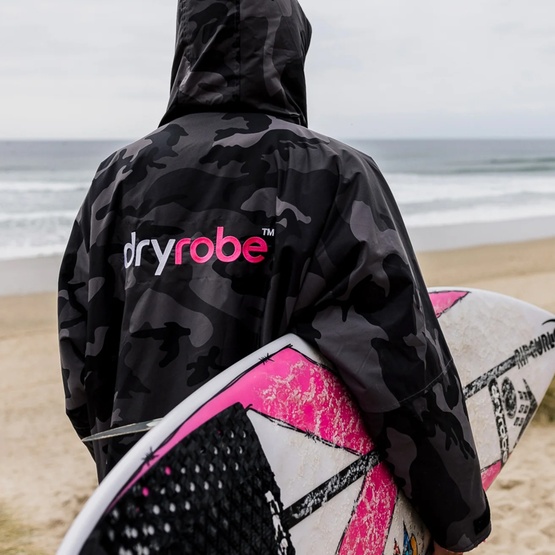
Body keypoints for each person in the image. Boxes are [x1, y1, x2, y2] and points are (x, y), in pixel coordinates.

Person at [58, 0, 491, 552]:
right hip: (282, 522)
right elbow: (402, 370)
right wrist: (457, 519)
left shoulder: (116, 181)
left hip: (147, 520)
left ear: (188, 42)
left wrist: (119, 472)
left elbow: (82, 368)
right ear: (289, 46)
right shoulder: (334, 175)